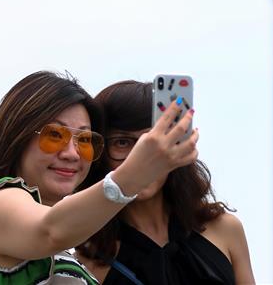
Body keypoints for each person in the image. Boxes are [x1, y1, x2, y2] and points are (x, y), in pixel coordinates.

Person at [0, 71, 198, 285]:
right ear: (17, 136)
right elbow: (50, 231)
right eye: (55, 135)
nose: (72, 154)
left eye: (85, 140)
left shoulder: (76, 244)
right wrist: (135, 174)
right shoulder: (1, 202)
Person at [77, 80, 255, 285]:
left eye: (152, 141)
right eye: (122, 142)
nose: (141, 157)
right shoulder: (87, 262)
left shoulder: (224, 229)